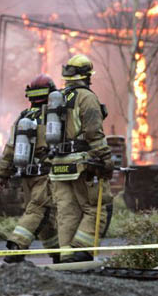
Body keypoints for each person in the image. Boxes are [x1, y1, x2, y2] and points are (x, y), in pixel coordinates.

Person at [48, 54, 114, 263]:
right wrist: (106, 160)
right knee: (97, 207)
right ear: (87, 76)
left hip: (58, 165)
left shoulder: (59, 97)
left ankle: (66, 257)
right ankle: (82, 251)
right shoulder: (87, 97)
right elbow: (94, 134)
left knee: (67, 212)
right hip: (81, 163)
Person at [0, 74, 60, 264]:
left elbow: (9, 149)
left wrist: (3, 175)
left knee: (45, 217)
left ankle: (58, 254)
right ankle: (17, 246)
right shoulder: (53, 118)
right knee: (38, 211)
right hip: (45, 175)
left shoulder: (22, 118)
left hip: (26, 177)